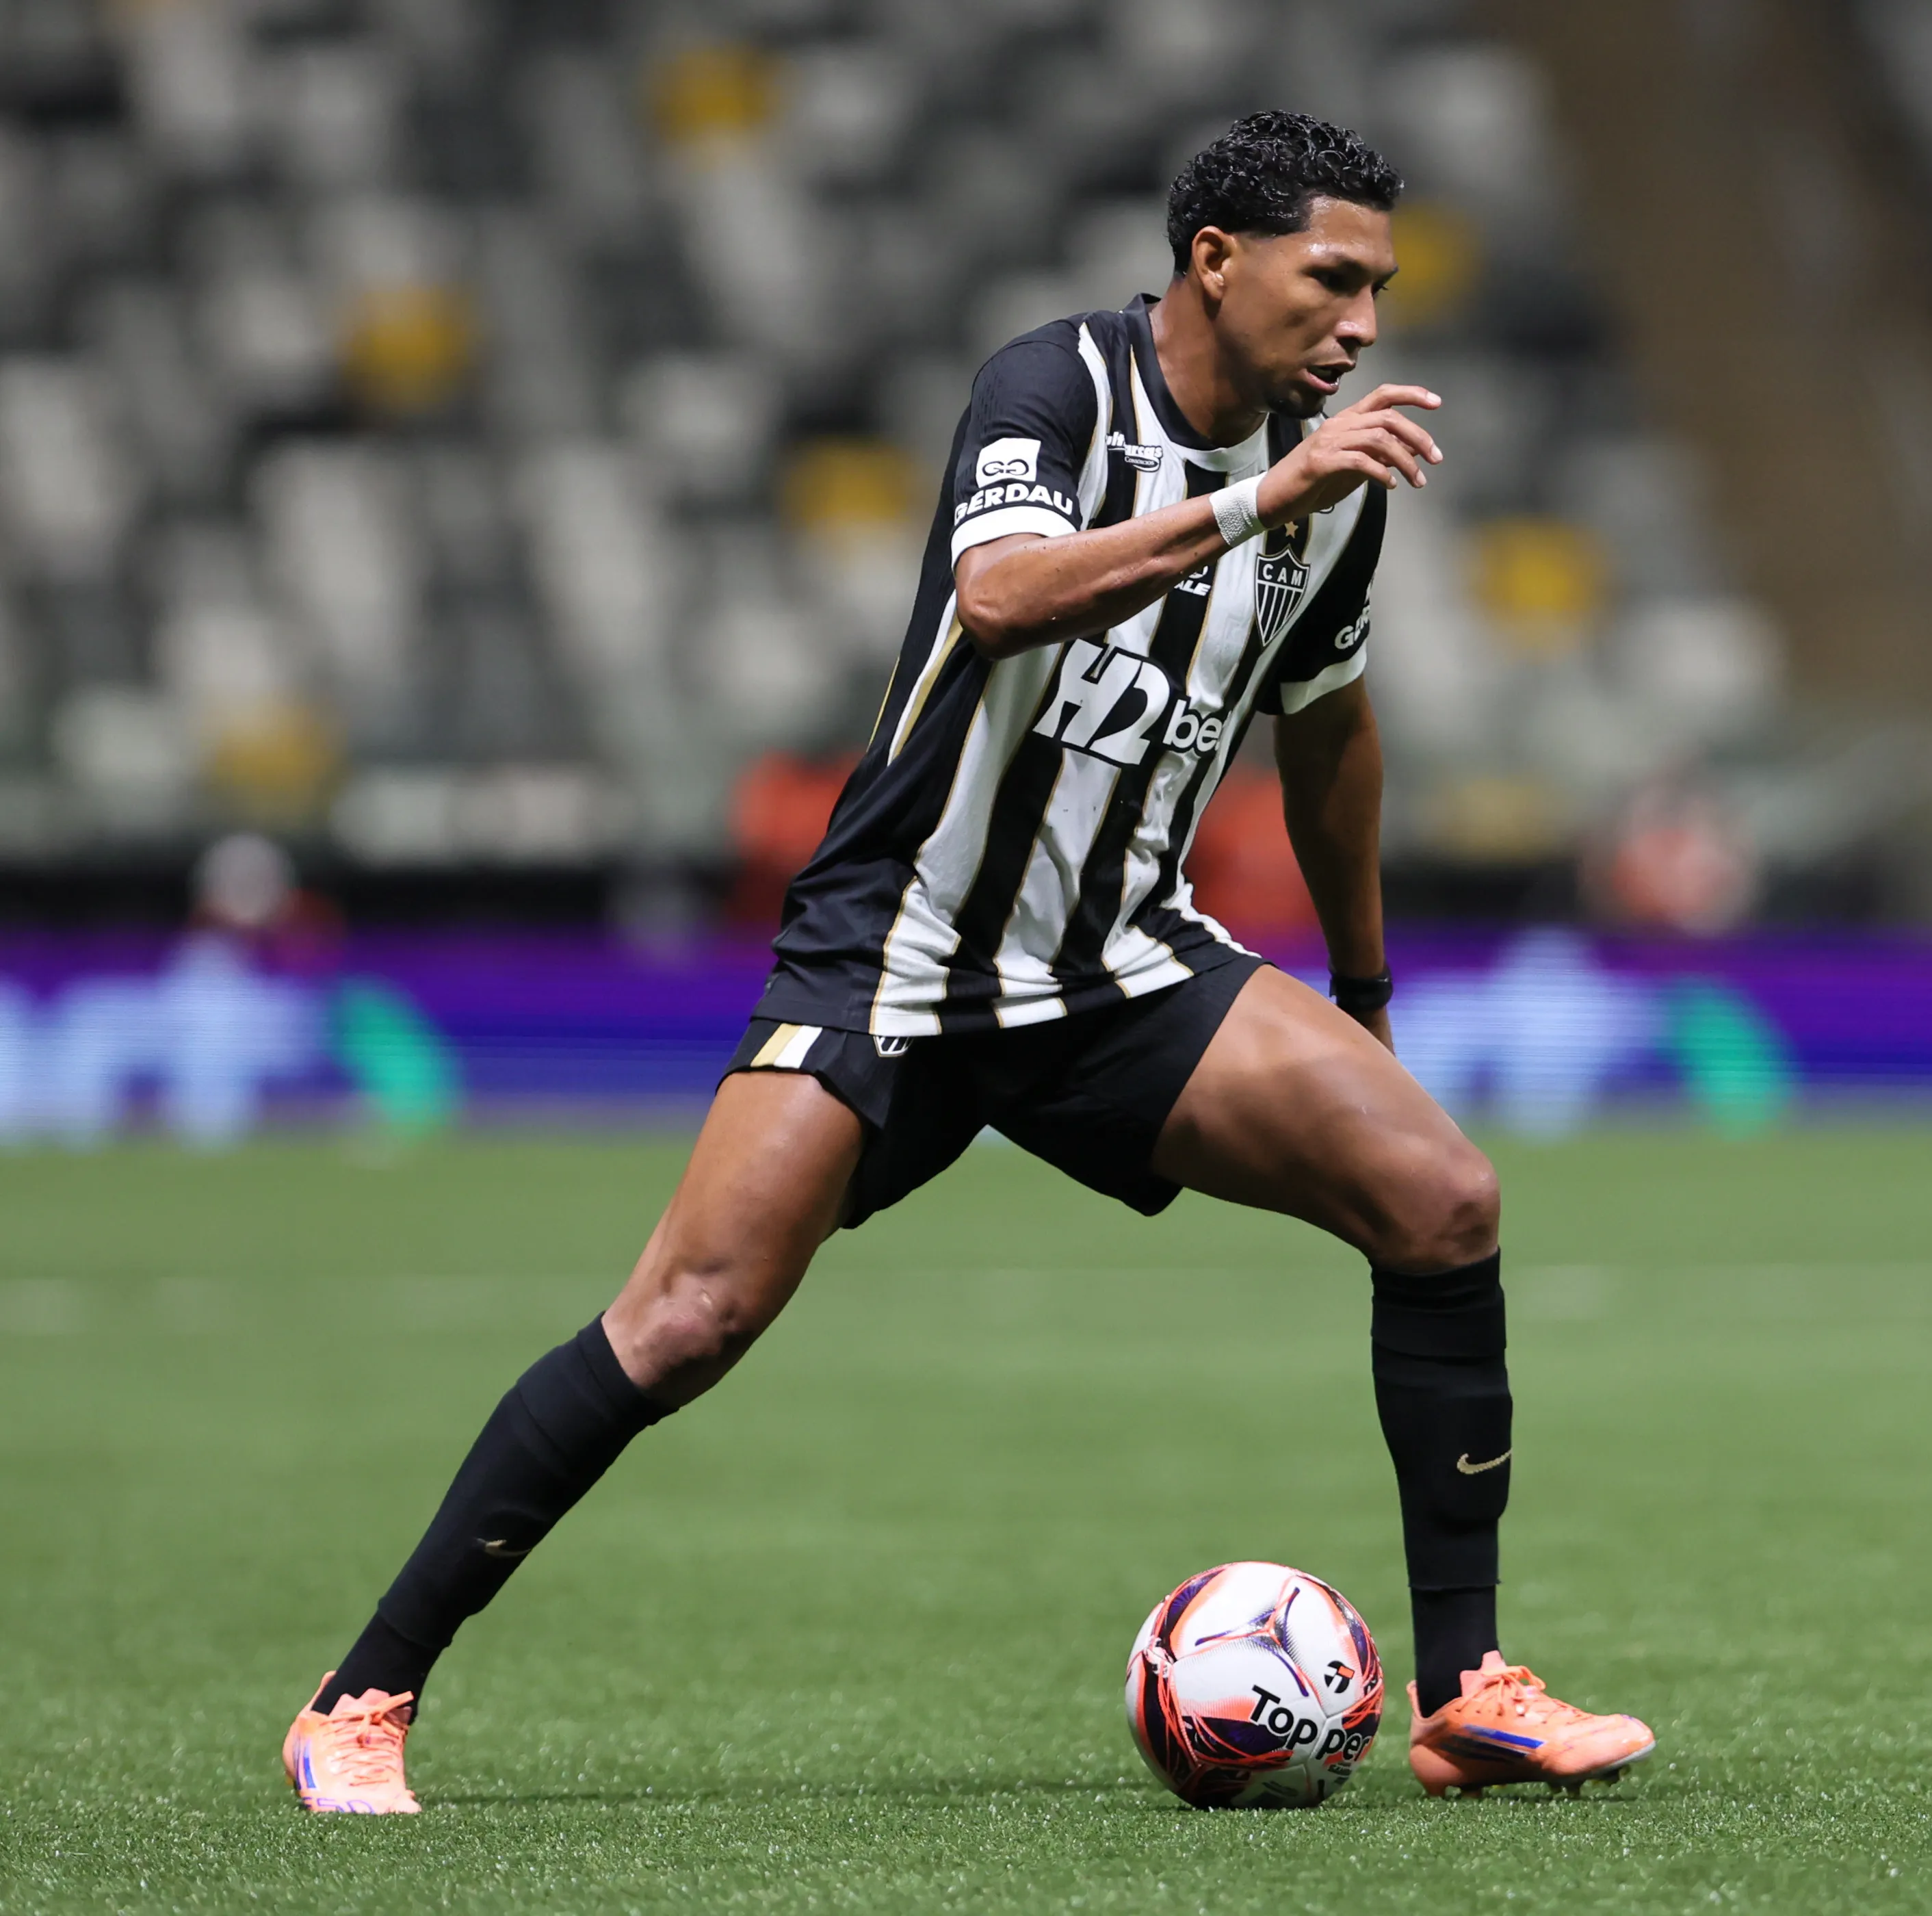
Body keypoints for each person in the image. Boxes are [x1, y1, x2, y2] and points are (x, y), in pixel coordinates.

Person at [283, 112, 1654, 1814]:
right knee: (687, 1317)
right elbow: (1000, 600)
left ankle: (1466, 1695)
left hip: (1114, 967)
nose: (1363, 324)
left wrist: (1364, 992)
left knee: (1442, 1199)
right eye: (1334, 278)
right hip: (898, 958)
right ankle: (361, 1697)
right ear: (1216, 262)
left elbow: (1331, 731)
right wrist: (1262, 495)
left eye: (1378, 287)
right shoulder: (1058, 391)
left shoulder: (1332, 495)